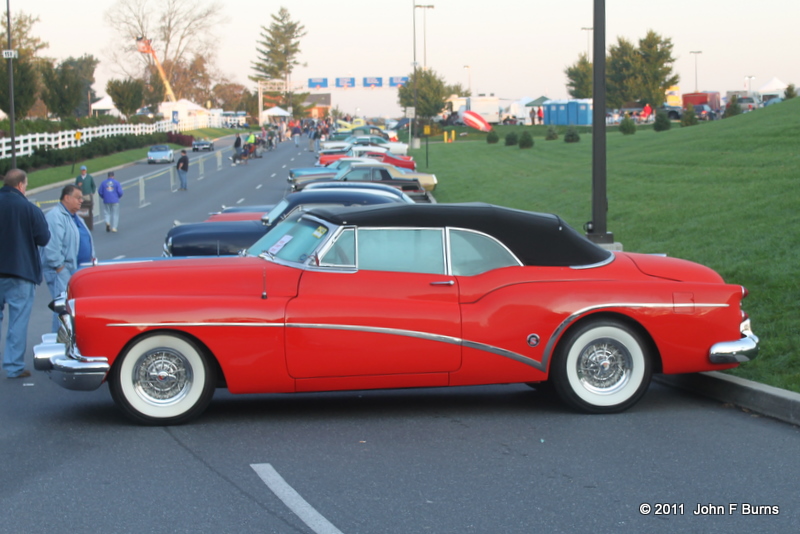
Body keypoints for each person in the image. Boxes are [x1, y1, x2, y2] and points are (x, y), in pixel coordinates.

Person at [0, 169, 50, 379]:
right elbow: (43, 238)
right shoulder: (29, 209)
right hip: (21, 270)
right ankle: (13, 366)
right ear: (21, 185)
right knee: (17, 321)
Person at [41, 184, 95, 332]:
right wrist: (60, 269)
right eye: (78, 198)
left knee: (73, 310)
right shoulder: (55, 216)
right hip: (62, 272)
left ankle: (70, 342)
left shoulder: (75, 217)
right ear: (67, 197)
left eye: (81, 199)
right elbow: (51, 248)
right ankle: (58, 343)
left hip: (77, 272)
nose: (81, 201)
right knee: (63, 310)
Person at [74, 165, 96, 230]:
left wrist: (93, 192)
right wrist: (78, 185)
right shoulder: (78, 178)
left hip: (87, 195)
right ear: (81, 171)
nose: (83, 171)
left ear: (86, 170)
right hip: (80, 196)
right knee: (80, 209)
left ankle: (89, 223)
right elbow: (75, 186)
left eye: (84, 170)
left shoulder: (89, 177)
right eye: (82, 170)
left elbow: (93, 185)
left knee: (89, 208)